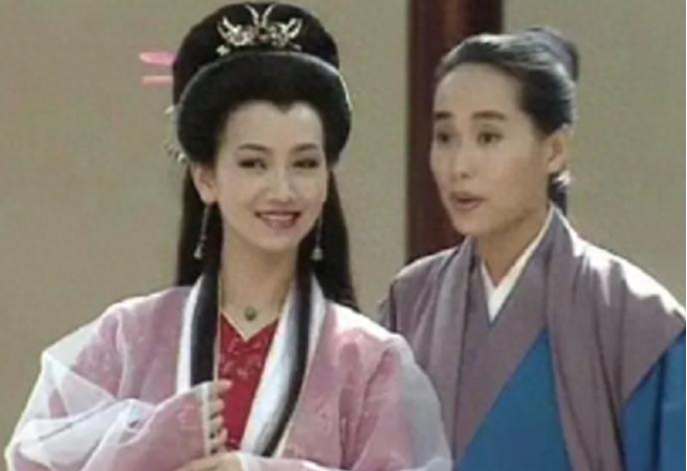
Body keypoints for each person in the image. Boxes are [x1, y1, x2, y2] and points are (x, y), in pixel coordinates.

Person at [5, 3, 451, 471]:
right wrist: (148, 442)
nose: (282, 190)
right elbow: (34, 459)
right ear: (206, 178)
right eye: (254, 163)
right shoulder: (127, 340)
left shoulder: (370, 361)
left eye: (304, 163)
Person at [381, 27, 685, 471]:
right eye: (445, 137)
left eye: (488, 137)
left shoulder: (636, 318)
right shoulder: (410, 301)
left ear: (555, 150)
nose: (459, 166)